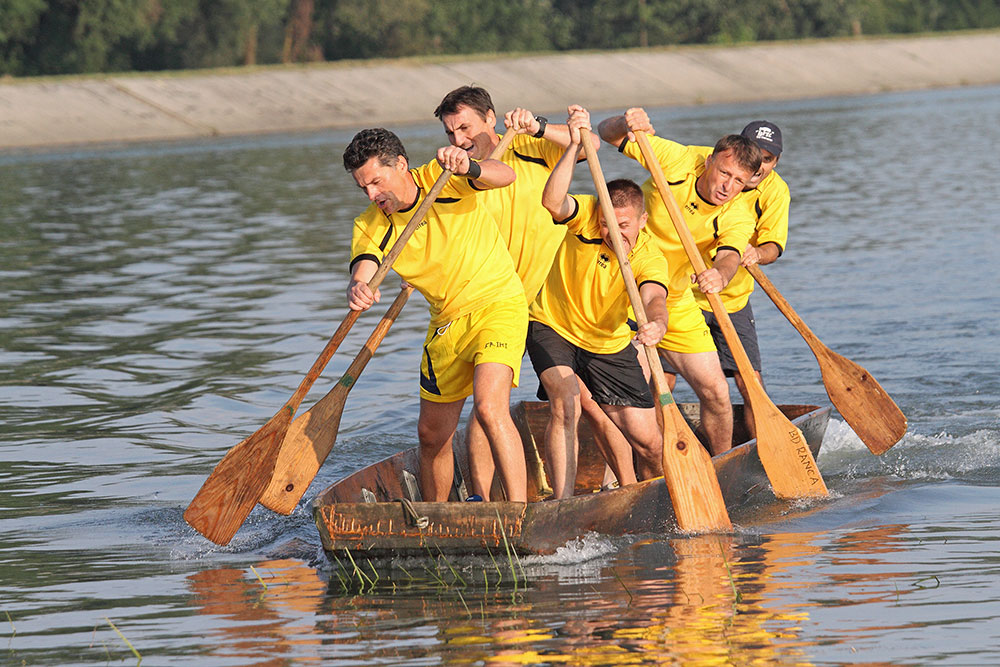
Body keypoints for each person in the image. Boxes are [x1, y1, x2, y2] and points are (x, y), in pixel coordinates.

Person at [433, 85, 617, 498]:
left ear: (491, 118)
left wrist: (536, 126)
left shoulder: (530, 148)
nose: (459, 140)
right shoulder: (457, 172)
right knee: (484, 409)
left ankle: (611, 483)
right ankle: (482, 498)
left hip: (545, 301)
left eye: (465, 127)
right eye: (450, 134)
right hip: (491, 303)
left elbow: (589, 145)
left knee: (581, 399)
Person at [343, 127, 529, 502]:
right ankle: (436, 521)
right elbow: (365, 263)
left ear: (402, 165)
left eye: (377, 182)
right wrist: (358, 287)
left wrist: (470, 167)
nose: (373, 195)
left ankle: (521, 514)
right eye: (363, 188)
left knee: (490, 408)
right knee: (431, 435)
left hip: (497, 304)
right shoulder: (371, 223)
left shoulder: (442, 177)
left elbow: (505, 175)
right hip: (446, 324)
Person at [597, 108, 761, 456]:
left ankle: (720, 467)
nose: (727, 187)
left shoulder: (738, 212)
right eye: (724, 173)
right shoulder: (678, 160)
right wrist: (625, 123)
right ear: (709, 162)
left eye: (738, 182)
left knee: (717, 392)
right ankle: (622, 479)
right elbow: (606, 133)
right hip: (619, 292)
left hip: (673, 298)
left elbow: (730, 256)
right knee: (631, 396)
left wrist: (721, 274)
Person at [529, 105, 670, 498]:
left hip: (608, 343)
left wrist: (656, 323)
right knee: (566, 401)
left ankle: (658, 495)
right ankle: (563, 504)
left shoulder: (649, 255)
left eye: (623, 226)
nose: (612, 232)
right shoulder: (590, 213)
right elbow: (553, 202)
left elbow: (654, 297)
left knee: (651, 444)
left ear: (642, 221)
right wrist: (574, 145)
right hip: (552, 325)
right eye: (608, 224)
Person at [692, 121, 789, 437]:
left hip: (733, 299)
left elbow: (773, 245)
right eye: (755, 155)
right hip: (684, 297)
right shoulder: (713, 165)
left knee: (751, 383)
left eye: (769, 159)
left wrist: (756, 254)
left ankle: (768, 452)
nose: (760, 165)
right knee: (663, 380)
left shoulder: (775, 191)